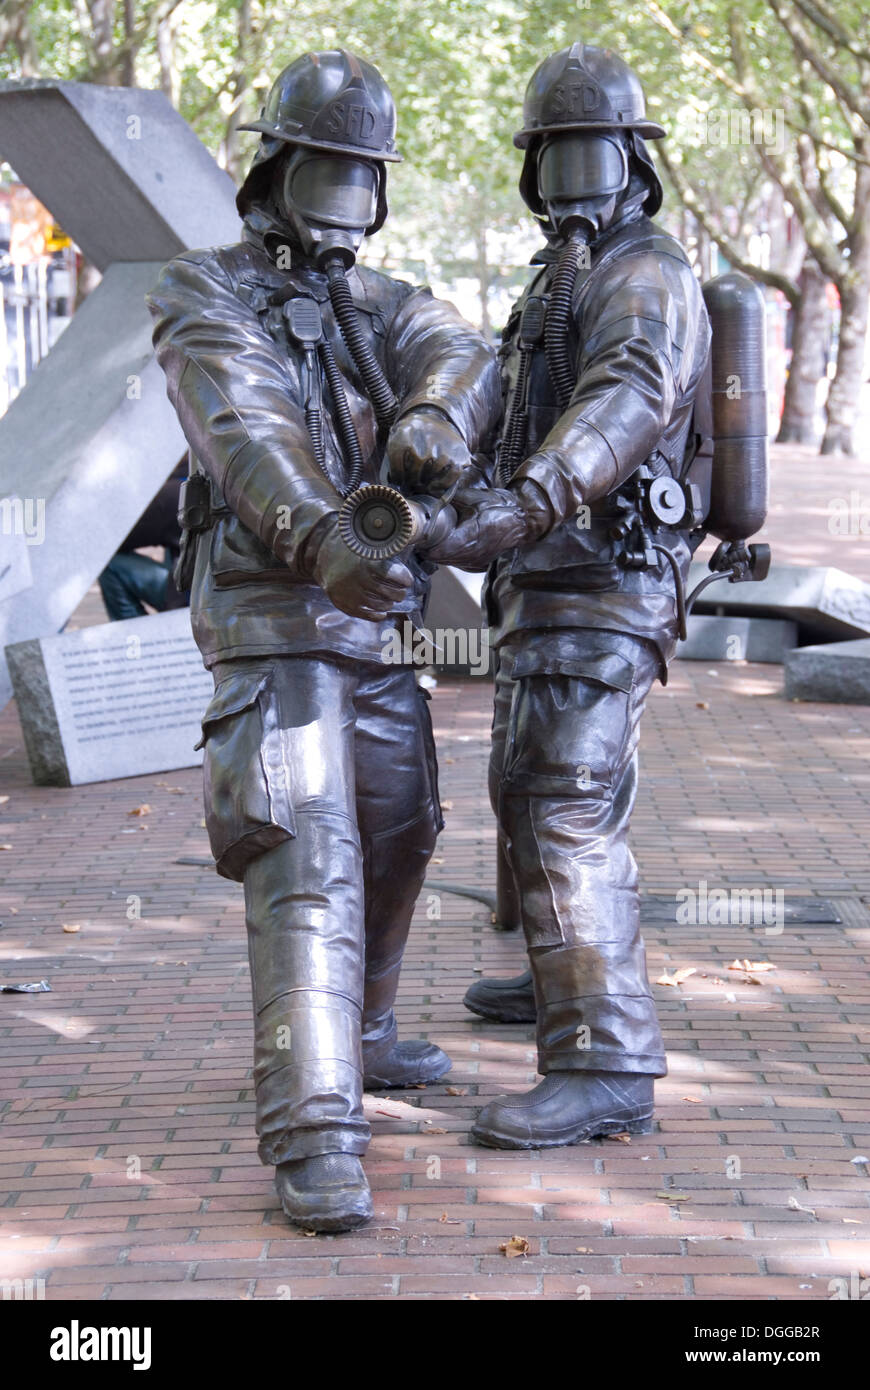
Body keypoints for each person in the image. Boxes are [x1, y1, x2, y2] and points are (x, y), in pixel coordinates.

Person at [146, 49, 500, 1229]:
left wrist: (437, 410)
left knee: (404, 829)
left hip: (379, 618)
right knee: (309, 854)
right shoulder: (204, 290)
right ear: (276, 169)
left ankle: (364, 1030)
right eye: (327, 174)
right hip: (273, 606)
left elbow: (454, 341)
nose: (346, 200)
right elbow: (244, 428)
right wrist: (314, 535)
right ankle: (311, 1127)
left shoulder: (384, 300)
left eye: (364, 179)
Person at [419, 42, 713, 1149]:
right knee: (536, 789)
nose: (572, 180)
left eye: (590, 154)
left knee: (561, 801)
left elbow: (625, 398)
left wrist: (528, 499)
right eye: (554, 158)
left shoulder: (644, 276)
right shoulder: (564, 277)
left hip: (604, 577)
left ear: (635, 160)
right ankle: (565, 979)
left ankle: (604, 1058)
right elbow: (512, 395)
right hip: (552, 578)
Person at [98, 458, 189, 620]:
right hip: (230, 592)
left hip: (192, 598)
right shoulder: (224, 483)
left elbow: (114, 540)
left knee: (106, 562)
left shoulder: (175, 493)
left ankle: (133, 636)